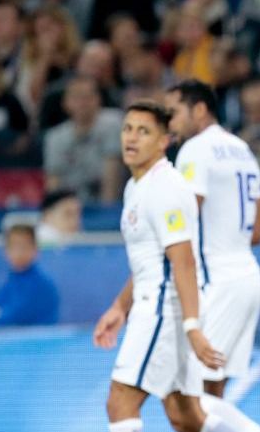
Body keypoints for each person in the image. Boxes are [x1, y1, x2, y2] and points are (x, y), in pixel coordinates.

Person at [92, 100, 238, 432]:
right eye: (127, 129)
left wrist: (192, 327)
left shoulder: (165, 188)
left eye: (144, 132)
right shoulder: (136, 186)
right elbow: (151, 261)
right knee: (185, 416)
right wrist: (119, 306)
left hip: (163, 311)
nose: (131, 138)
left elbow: (183, 262)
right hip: (157, 306)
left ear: (163, 141)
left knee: (120, 402)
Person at [165, 80, 260, 432]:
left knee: (184, 398)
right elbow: (257, 231)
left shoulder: (194, 149)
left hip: (217, 280)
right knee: (211, 394)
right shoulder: (242, 149)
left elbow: (185, 218)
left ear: (200, 109)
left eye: (174, 112)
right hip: (248, 277)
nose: (169, 122)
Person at [43, 75, 124, 204]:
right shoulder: (55, 137)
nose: (82, 102)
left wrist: (106, 215)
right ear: (65, 103)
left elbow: (112, 175)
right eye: (76, 97)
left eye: (88, 97)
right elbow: (53, 182)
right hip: (72, 204)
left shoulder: (113, 123)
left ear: (98, 99)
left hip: (108, 206)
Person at [0, 224, 59, 327]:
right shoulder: (14, 278)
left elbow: (13, 317)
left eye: (24, 247)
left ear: (35, 250)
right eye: (13, 247)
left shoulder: (40, 285)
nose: (18, 252)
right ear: (5, 251)